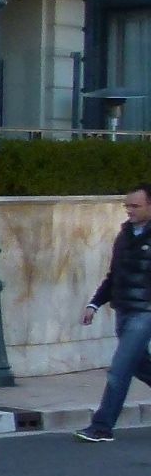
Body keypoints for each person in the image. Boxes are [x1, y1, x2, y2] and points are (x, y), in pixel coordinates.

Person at [77, 184, 151, 441]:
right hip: (124, 310)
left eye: (135, 206)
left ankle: (101, 427)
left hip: (145, 312)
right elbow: (114, 275)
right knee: (139, 364)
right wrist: (94, 304)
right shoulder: (125, 234)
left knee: (119, 370)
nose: (129, 210)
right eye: (127, 206)